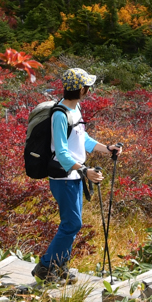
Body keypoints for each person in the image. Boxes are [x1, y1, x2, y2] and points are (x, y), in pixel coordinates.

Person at [34, 67, 122, 282]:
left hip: (73, 177)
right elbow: (62, 152)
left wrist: (107, 147)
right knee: (72, 224)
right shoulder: (60, 114)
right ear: (81, 89)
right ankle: (45, 267)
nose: (89, 89)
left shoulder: (76, 109)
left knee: (72, 224)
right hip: (63, 177)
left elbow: (83, 138)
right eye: (88, 86)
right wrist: (84, 170)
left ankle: (60, 266)